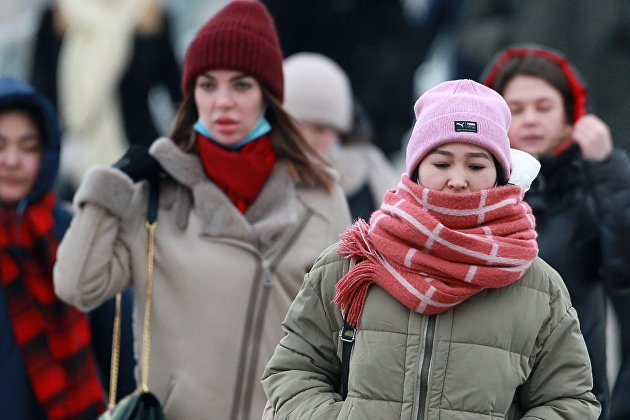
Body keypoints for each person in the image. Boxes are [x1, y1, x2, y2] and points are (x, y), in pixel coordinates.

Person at [53, 1, 351, 419]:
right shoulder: (155, 193)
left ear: (268, 95)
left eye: (241, 85)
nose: (222, 102)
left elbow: (343, 333)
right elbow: (76, 286)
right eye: (207, 85)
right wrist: (107, 190)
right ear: (191, 94)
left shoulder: (322, 196)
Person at [262, 79, 601, 419]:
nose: (457, 179)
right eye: (441, 163)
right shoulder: (352, 263)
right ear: (416, 169)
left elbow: (569, 401)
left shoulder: (538, 288)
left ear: (500, 174)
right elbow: (294, 371)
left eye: (476, 165)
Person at [481, 45, 630, 419]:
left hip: (573, 397)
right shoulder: (468, 189)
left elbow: (624, 269)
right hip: (485, 396)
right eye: (515, 109)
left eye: (544, 107)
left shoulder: (594, 185)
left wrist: (608, 171)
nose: (530, 119)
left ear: (571, 116)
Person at [0, 77, 106, 418]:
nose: (12, 160)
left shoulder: (73, 231)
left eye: (28, 147)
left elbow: (115, 336)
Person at [30, 0, 182, 199]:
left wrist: (147, 40)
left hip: (140, 157)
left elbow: (176, 91)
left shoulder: (148, 12)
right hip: (74, 161)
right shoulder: (58, 14)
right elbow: (40, 94)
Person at [283, 52, 399, 221]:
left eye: (319, 129)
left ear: (342, 131)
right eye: (292, 128)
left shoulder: (372, 179)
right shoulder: (256, 181)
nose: (305, 140)